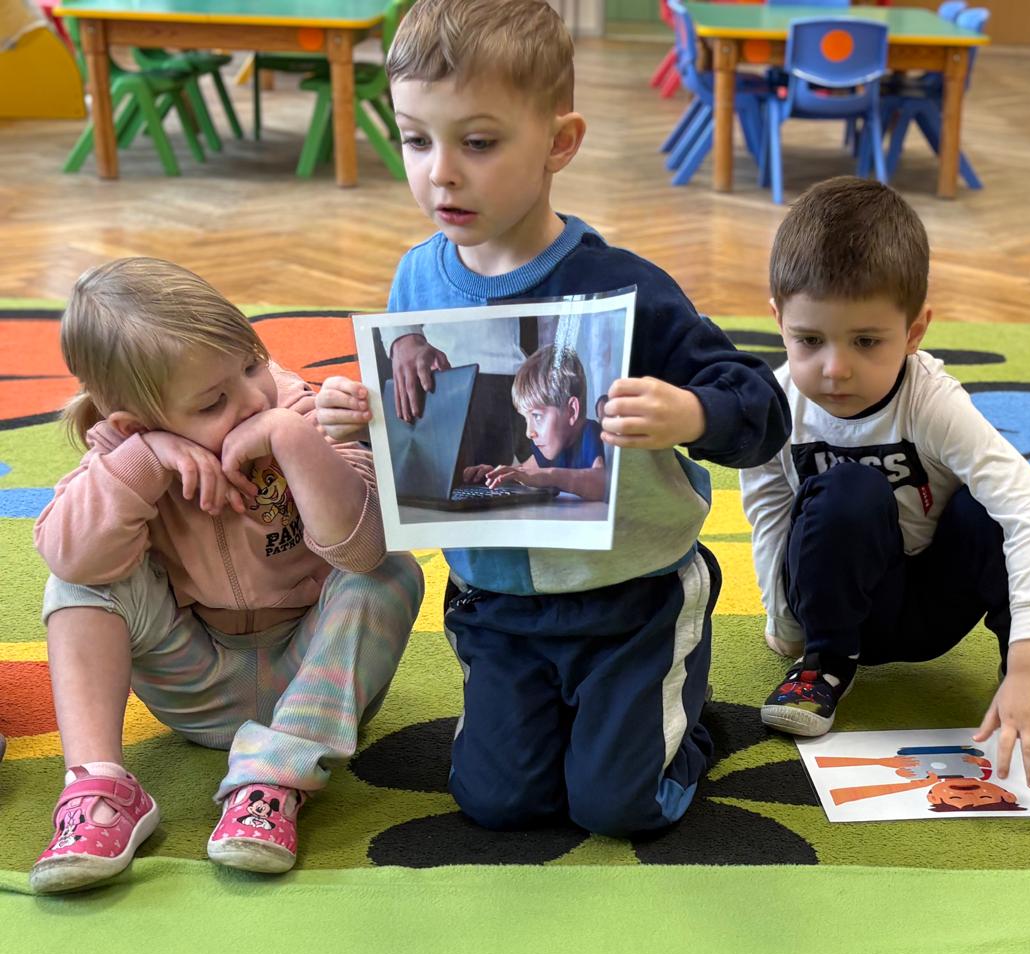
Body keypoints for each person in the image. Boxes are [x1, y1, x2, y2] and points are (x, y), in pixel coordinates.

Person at [316, 0, 788, 838]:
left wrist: (687, 412)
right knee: (498, 804)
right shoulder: (416, 281)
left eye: (478, 142)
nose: (440, 174)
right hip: (496, 608)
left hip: (630, 603)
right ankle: (592, 724)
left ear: (559, 143)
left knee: (621, 807)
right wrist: (360, 411)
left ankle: (682, 717)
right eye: (416, 140)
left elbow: (762, 408)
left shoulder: (627, 289)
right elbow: (413, 428)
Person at [30, 257, 424, 894]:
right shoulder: (123, 452)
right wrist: (146, 460)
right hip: (196, 687)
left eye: (251, 365)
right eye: (213, 402)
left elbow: (362, 550)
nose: (250, 399)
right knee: (78, 583)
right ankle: (98, 786)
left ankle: (272, 780)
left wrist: (291, 438)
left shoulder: (298, 411)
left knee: (390, 572)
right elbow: (70, 557)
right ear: (136, 422)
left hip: (318, 678)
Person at [741, 178, 1030, 790]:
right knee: (848, 490)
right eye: (809, 340)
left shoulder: (933, 402)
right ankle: (827, 663)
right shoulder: (774, 403)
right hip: (837, 607)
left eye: (867, 342)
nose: (835, 369)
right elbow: (768, 507)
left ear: (915, 331)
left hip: (930, 608)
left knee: (988, 503)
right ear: (777, 320)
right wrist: (787, 620)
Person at [460, 343, 607, 501]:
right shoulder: (548, 447)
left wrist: (549, 476)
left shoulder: (590, 433)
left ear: (571, 410)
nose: (529, 433)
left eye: (537, 416)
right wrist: (495, 475)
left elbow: (602, 482)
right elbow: (524, 473)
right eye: (526, 419)